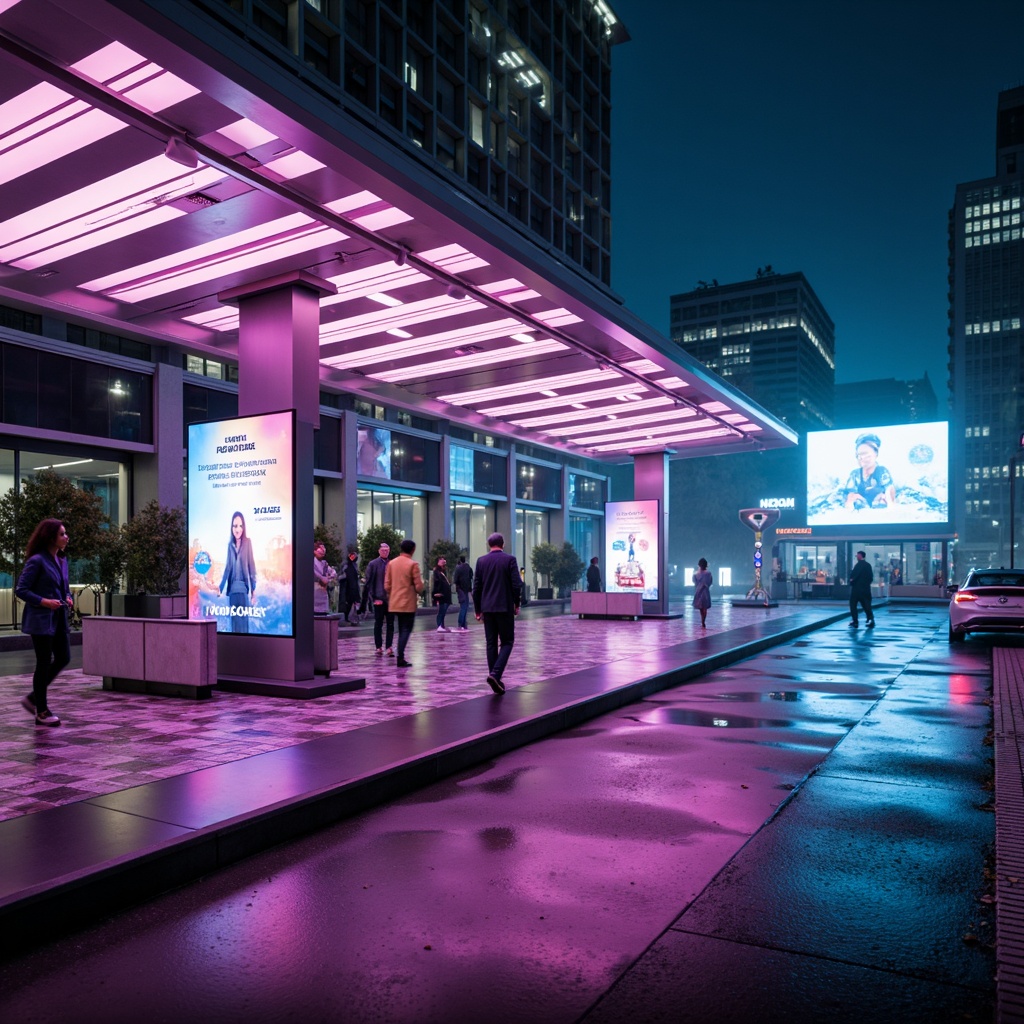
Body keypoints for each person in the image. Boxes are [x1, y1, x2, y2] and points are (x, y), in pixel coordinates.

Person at [15, 518, 74, 726]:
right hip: (41, 620)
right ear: (50, 537)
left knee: (63, 657)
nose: (66, 537)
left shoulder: (62, 560)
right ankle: (41, 710)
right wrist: (44, 602)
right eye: (62, 534)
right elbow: (21, 590)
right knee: (43, 662)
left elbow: (63, 587)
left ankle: (33, 698)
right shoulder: (37, 560)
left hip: (58, 618)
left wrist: (68, 597)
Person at [473, 532, 522, 695]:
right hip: (504, 607)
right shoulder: (510, 560)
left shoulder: (481, 561)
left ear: (489, 545)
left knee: (491, 643)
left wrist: (478, 609)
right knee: (507, 642)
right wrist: (517, 603)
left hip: (487, 608)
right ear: (503, 544)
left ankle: (496, 678)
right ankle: (495, 674)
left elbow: (476, 588)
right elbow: (516, 585)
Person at [384, 539, 423, 668]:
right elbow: (419, 587)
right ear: (412, 550)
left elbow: (387, 585)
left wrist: (393, 593)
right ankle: (400, 656)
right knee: (406, 629)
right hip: (408, 602)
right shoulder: (413, 564)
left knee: (400, 628)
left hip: (394, 602)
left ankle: (400, 656)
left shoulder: (391, 563)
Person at [219, 511, 257, 633]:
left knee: (244, 625)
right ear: (232, 527)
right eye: (235, 526)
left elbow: (252, 566)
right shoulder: (230, 545)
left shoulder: (248, 542)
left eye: (240, 526)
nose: (238, 529)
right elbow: (227, 568)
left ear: (243, 527)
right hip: (233, 591)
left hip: (243, 590)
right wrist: (220, 587)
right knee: (234, 625)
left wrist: (253, 591)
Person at [844, 433, 896, 510]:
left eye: (865, 454)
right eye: (859, 455)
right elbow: (851, 494)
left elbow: (889, 488)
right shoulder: (855, 474)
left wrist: (891, 505)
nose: (861, 458)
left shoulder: (881, 471)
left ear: (876, 454)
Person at [361, 542, 395, 656]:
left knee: (391, 624)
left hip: (390, 600)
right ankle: (378, 646)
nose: (385, 552)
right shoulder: (373, 564)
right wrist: (373, 598)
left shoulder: (392, 564)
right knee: (378, 623)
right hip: (378, 598)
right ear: (379, 551)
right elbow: (368, 583)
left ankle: (389, 646)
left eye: (387, 550)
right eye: (383, 550)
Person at [849, 549, 874, 628]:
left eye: (857, 555)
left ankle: (855, 620)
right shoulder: (868, 565)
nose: (856, 557)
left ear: (860, 556)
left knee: (853, 604)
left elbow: (853, 576)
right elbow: (870, 577)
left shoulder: (858, 565)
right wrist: (866, 584)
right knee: (866, 605)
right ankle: (870, 619)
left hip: (856, 589)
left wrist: (852, 581)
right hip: (865, 589)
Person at [339, 546, 362, 624]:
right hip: (347, 586)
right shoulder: (345, 564)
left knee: (355, 602)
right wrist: (344, 575)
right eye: (351, 556)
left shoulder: (355, 565)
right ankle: (347, 617)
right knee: (348, 602)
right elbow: (340, 575)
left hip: (354, 586)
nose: (352, 557)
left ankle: (354, 618)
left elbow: (357, 575)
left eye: (354, 556)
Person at [313, 541, 336, 615]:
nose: (323, 551)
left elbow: (333, 573)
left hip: (323, 592)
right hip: (314, 592)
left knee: (323, 614)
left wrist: (328, 578)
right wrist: (322, 578)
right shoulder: (311, 562)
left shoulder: (324, 563)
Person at [452, 555, 473, 631]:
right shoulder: (468, 568)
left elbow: (455, 580)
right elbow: (471, 577)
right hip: (466, 589)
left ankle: (461, 624)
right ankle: (464, 624)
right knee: (465, 607)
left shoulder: (458, 568)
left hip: (461, 589)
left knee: (463, 607)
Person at [432, 557, 452, 632]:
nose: (443, 561)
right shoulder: (437, 571)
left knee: (443, 610)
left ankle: (442, 625)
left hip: (446, 594)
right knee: (441, 611)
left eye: (444, 559)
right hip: (440, 594)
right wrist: (436, 593)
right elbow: (436, 582)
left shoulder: (444, 571)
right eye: (441, 559)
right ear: (438, 561)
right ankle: (439, 625)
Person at [692, 557, 713, 628]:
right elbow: (710, 582)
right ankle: (703, 620)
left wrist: (698, 586)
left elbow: (694, 582)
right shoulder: (708, 573)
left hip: (698, 591)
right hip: (705, 591)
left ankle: (702, 620)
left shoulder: (696, 574)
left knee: (701, 607)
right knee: (705, 607)